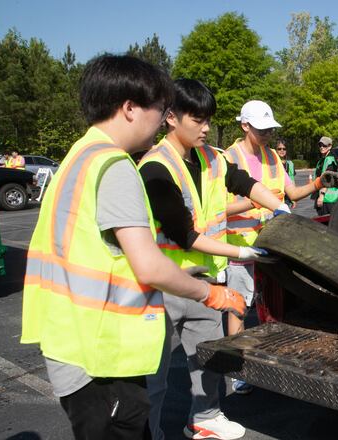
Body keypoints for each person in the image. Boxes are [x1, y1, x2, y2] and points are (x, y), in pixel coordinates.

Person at [20, 55, 246, 440]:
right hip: (102, 355)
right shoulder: (115, 166)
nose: (161, 120)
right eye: (159, 109)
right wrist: (212, 294)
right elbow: (149, 266)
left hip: (69, 339)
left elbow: (101, 251)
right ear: (129, 108)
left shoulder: (79, 155)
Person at [139, 79, 287, 440]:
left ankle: (205, 417)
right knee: (153, 372)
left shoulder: (211, 158)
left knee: (206, 358)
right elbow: (185, 235)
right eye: (198, 119)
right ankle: (149, 432)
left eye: (208, 120)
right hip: (163, 284)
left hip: (205, 283)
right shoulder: (155, 168)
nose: (206, 128)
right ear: (171, 117)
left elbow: (244, 182)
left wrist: (280, 207)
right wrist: (243, 252)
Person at [224, 100, 335, 394]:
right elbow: (216, 207)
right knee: (237, 308)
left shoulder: (273, 156)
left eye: (270, 130)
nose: (267, 135)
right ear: (244, 126)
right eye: (261, 130)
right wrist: (250, 202)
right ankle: (237, 369)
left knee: (271, 306)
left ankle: (270, 359)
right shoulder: (228, 158)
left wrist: (319, 183)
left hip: (274, 245)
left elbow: (292, 192)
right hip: (241, 248)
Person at [312, 136, 338, 215]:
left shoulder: (329, 159)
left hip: (328, 198)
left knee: (325, 224)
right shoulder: (323, 159)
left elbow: (327, 179)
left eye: (324, 145)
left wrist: (322, 195)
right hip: (326, 198)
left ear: (330, 146)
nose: (322, 147)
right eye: (320, 145)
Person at [275, 139, 297, 208]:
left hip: (287, 197)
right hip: (275, 196)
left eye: (284, 149)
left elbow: (292, 180)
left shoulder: (290, 164)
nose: (282, 150)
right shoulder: (273, 163)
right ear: (276, 150)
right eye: (279, 149)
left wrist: (294, 198)